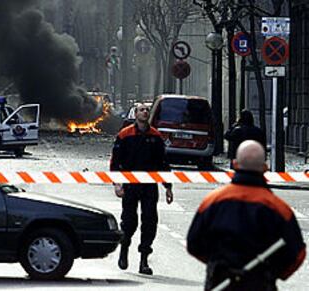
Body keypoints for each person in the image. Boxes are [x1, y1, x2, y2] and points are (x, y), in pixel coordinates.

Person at [187, 140, 306, 290]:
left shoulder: (213, 202)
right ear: (265, 168)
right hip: (260, 283)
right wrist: (274, 273)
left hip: (220, 283)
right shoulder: (279, 209)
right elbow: (297, 254)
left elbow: (194, 243)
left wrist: (215, 263)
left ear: (235, 164)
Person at [110, 103, 173, 275]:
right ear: (135, 114)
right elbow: (115, 162)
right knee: (129, 222)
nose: (145, 112)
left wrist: (168, 187)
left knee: (150, 222)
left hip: (149, 187)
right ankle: (124, 249)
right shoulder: (125, 135)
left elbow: (163, 163)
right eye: (141, 110)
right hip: (130, 186)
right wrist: (117, 184)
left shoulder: (156, 136)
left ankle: (144, 260)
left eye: (147, 110)